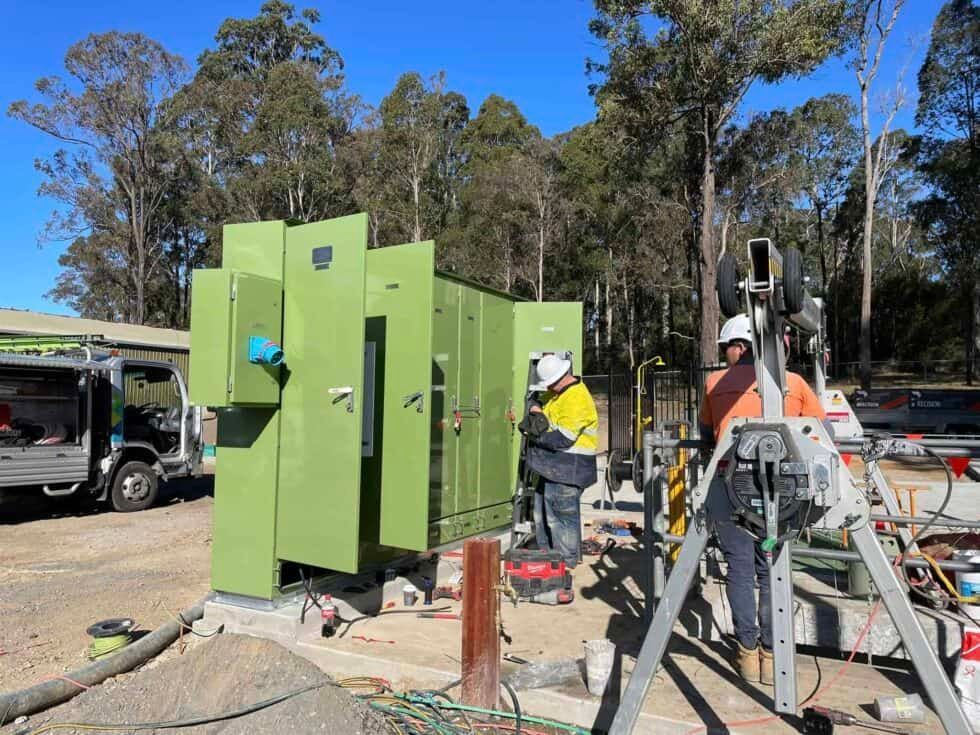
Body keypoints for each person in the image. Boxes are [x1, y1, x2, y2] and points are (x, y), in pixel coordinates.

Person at [698, 313, 829, 686]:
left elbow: (707, 433)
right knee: (771, 569)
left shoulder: (714, 384)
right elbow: (821, 435)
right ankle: (773, 654)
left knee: (739, 570)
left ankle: (747, 652)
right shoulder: (794, 384)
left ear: (739, 346)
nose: (725, 355)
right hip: (782, 498)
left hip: (730, 491)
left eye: (727, 348)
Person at [518, 353, 599, 570]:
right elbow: (539, 406)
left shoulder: (577, 398)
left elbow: (562, 438)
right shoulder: (559, 395)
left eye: (550, 383)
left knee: (561, 519)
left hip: (569, 468)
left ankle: (565, 562)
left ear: (560, 378)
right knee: (543, 515)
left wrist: (533, 434)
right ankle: (550, 556)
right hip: (553, 467)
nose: (549, 388)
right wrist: (535, 408)